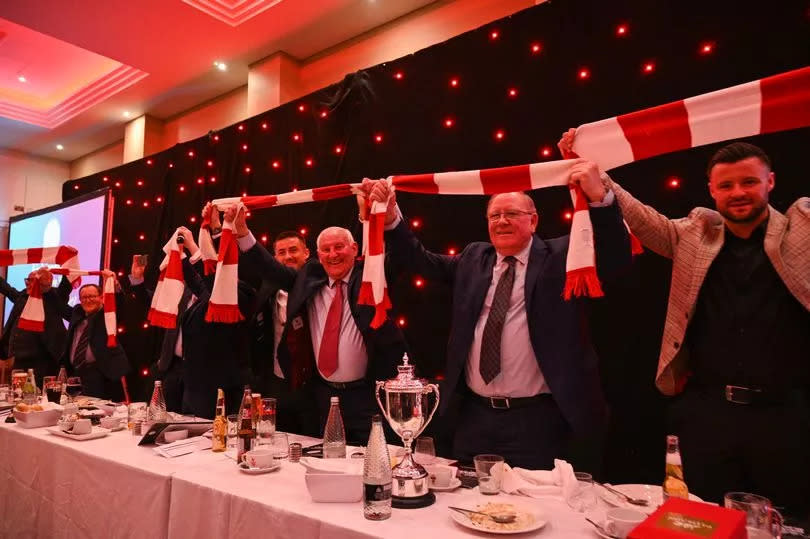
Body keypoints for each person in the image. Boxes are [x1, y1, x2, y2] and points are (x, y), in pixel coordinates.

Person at [559, 130, 810, 516]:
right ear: (711, 190)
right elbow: (644, 221)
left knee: (791, 520)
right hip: (708, 413)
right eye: (726, 185)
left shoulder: (801, 230)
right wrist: (597, 179)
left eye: (749, 182)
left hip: (787, 414)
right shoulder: (695, 235)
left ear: (770, 182)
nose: (738, 192)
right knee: (699, 516)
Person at [365, 165, 632, 470]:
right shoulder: (474, 258)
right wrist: (391, 219)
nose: (502, 221)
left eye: (512, 214)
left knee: (533, 509)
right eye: (494, 216)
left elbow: (615, 254)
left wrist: (599, 198)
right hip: (475, 417)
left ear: (533, 221)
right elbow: (420, 261)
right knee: (472, 506)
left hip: (538, 421)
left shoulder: (561, 255)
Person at [233, 207, 406, 444]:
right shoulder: (309, 280)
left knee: (373, 464)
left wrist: (389, 218)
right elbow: (268, 268)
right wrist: (242, 232)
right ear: (318, 254)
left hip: (367, 396)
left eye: (339, 247)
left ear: (354, 249)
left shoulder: (369, 277)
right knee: (329, 462)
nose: (333, 254)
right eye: (326, 249)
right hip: (323, 395)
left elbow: (402, 255)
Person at [173, 226, 256, 419]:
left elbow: (210, 283)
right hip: (195, 383)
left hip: (220, 389)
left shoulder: (242, 293)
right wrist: (181, 255)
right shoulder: (206, 294)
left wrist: (193, 247)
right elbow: (197, 281)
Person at [248, 230, 319, 435]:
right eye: (282, 252)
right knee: (276, 443)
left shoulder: (318, 280)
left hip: (310, 386)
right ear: (274, 258)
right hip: (275, 382)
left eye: (293, 250)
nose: (288, 256)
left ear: (306, 253)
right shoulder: (268, 286)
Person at [62, 270, 130, 401]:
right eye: (84, 298)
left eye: (92, 296)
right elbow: (58, 306)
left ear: (101, 297)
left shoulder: (108, 314)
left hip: (103, 374)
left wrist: (114, 283)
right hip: (76, 374)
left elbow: (120, 303)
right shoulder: (77, 313)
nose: (88, 300)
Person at [0, 268, 72, 386]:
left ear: (45, 283)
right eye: (27, 280)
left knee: (40, 396)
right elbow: (6, 288)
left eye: (33, 280)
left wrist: (68, 263)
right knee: (18, 393)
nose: (28, 283)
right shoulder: (22, 296)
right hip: (19, 357)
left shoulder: (53, 297)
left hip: (44, 359)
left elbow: (66, 285)